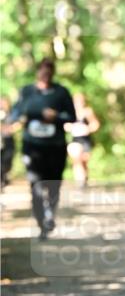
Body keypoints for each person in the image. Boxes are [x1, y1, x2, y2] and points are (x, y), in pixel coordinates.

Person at [9, 58, 76, 239]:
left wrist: (57, 116)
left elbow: (72, 117)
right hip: (32, 148)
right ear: (38, 71)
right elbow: (14, 113)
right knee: (35, 186)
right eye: (43, 71)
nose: (46, 75)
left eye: (49, 72)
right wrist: (17, 119)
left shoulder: (61, 93)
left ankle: (50, 215)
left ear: (53, 73)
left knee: (53, 185)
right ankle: (41, 223)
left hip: (55, 147)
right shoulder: (27, 92)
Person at [65, 92, 100, 188]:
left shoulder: (88, 112)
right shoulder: (69, 112)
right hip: (75, 140)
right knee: (77, 159)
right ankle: (79, 181)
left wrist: (87, 129)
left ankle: (84, 179)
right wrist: (69, 127)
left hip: (86, 139)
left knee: (84, 161)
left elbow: (95, 124)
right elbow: (64, 124)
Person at [0, 96, 16, 189]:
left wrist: (12, 128)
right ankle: (1, 181)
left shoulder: (12, 114)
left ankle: (4, 177)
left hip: (9, 140)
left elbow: (19, 123)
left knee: (7, 161)